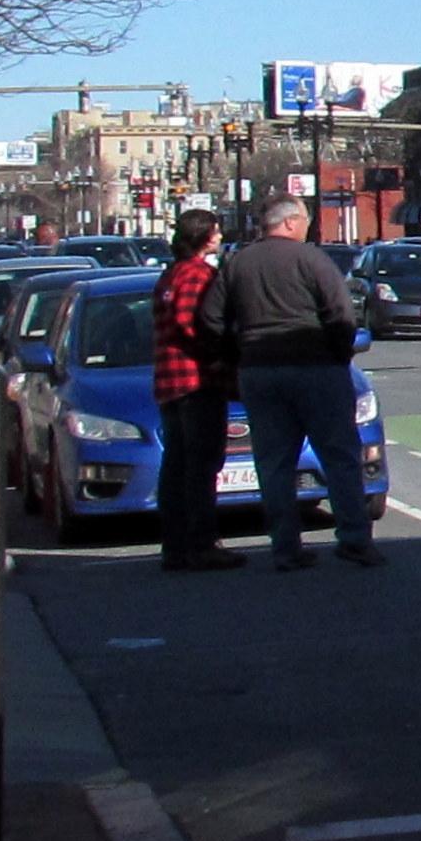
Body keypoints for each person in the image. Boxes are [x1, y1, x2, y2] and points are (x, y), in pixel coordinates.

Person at [198, 196, 378, 571]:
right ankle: (354, 539)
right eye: (306, 221)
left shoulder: (237, 263)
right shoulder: (312, 259)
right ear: (293, 222)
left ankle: (285, 547)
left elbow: (210, 319)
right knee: (341, 457)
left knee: (274, 463)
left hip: (259, 373)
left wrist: (235, 355)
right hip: (316, 370)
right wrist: (338, 353)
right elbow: (341, 314)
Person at [151, 207, 242, 573]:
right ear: (204, 236)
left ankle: (176, 545)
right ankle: (201, 544)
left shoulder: (170, 275)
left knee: (177, 465)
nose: (219, 236)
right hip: (194, 382)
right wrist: (218, 356)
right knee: (200, 466)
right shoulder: (197, 275)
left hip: (169, 383)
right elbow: (195, 323)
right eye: (216, 231)